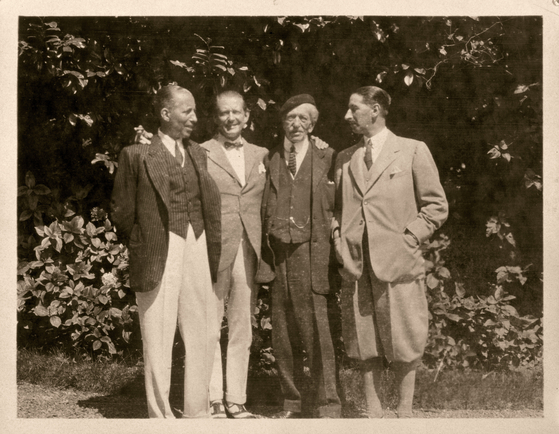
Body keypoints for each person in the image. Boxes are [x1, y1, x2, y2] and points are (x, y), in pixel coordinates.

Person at [332, 86, 448, 418]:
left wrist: (410, 237)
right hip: (357, 264)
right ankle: (373, 408)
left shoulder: (411, 151)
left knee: (405, 334)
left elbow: (436, 207)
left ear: (376, 110)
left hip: (398, 261)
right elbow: (337, 212)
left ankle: (405, 409)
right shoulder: (345, 158)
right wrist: (341, 242)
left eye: (354, 108)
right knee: (363, 337)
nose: (347, 116)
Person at [110, 84, 222, 418]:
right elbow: (121, 210)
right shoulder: (136, 154)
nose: (195, 117)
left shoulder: (198, 152)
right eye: (187, 111)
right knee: (157, 335)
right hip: (160, 248)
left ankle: (196, 414)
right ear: (165, 113)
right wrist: (146, 239)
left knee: (202, 329)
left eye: (195, 111)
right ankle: (160, 418)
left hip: (197, 244)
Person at [257, 94, 341, 419]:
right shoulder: (270, 159)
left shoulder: (328, 157)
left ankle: (328, 405)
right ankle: (291, 403)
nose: (296, 125)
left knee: (318, 332)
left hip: (313, 253)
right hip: (279, 256)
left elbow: (339, 206)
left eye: (303, 119)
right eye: (290, 118)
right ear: (282, 123)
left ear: (313, 124)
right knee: (283, 333)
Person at [200, 91, 268, 419]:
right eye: (223, 113)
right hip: (212, 248)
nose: (230, 119)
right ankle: (212, 398)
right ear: (215, 117)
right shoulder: (200, 152)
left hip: (249, 248)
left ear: (247, 115)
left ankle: (236, 398)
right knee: (210, 325)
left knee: (243, 324)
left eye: (236, 112)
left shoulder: (263, 154)